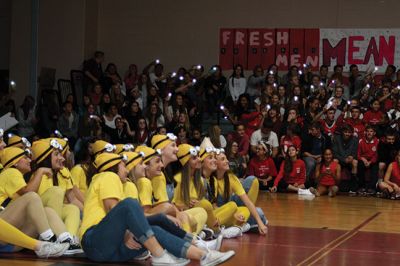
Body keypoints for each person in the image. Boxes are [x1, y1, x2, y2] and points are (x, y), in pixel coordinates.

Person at [80, 152, 235, 265]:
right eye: (123, 165)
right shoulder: (107, 176)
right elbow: (114, 210)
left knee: (154, 227)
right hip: (94, 240)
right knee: (130, 204)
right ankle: (159, 255)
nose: (126, 169)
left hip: (109, 249)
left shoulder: (124, 184)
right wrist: (127, 233)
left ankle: (203, 255)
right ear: (112, 167)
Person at [0, 146, 79, 255]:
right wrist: (40, 171)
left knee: (48, 210)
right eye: (25, 158)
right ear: (15, 162)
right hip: (4, 236)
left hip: (15, 242)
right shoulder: (10, 172)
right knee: (32, 196)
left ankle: (66, 241)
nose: (29, 160)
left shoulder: (18, 176)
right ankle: (48, 239)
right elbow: (28, 193)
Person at [214, 148, 268, 234]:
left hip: (231, 209)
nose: (227, 161)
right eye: (223, 159)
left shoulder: (231, 177)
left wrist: (260, 223)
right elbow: (213, 206)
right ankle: (240, 225)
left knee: (255, 212)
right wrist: (234, 215)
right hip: (219, 213)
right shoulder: (211, 179)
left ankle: (241, 225)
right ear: (215, 163)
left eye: (226, 158)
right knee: (257, 213)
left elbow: (248, 202)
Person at [0, 218, 69, 257]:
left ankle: (67, 240)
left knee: (44, 211)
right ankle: (41, 246)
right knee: (32, 197)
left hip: (12, 242)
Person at [331, 124, 358, 193]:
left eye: (349, 132)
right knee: (334, 161)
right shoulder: (337, 138)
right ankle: (333, 185)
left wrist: (352, 156)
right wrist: (343, 159)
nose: (347, 134)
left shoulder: (355, 139)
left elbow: (355, 151)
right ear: (342, 132)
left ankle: (353, 187)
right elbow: (335, 153)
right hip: (340, 159)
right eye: (346, 132)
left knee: (355, 162)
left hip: (349, 160)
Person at [357, 125, 379, 195]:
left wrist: (370, 162)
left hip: (372, 160)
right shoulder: (361, 141)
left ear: (374, 133)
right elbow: (358, 154)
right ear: (365, 132)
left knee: (375, 167)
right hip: (363, 160)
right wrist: (363, 159)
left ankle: (372, 188)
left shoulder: (377, 141)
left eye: (371, 131)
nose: (369, 133)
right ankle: (361, 187)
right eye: (368, 131)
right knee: (360, 165)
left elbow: (376, 155)